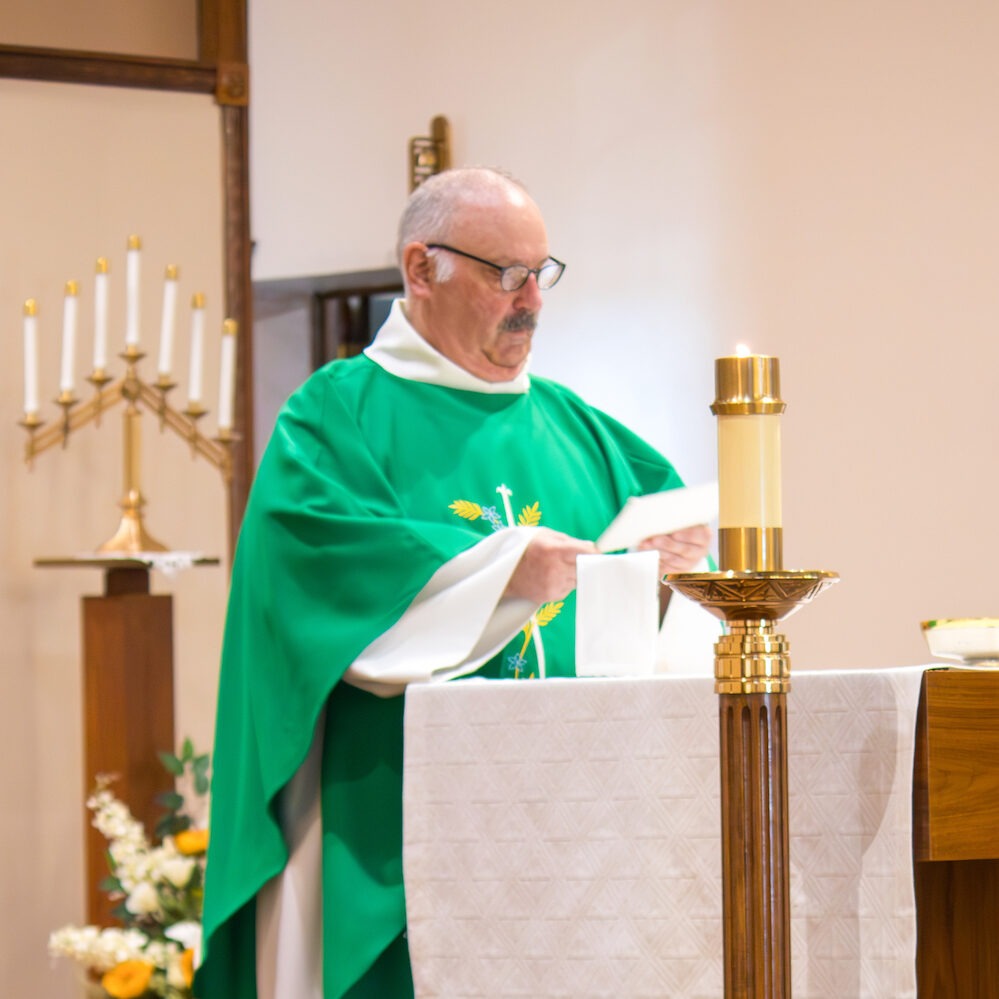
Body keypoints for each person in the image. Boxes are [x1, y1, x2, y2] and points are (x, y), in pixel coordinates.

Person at [196, 167, 711, 999]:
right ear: (420, 267)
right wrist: (511, 572)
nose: (532, 300)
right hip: (398, 839)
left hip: (577, 848)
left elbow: (664, 620)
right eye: (505, 275)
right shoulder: (334, 418)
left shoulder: (582, 429)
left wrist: (665, 581)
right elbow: (321, 580)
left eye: (542, 273)